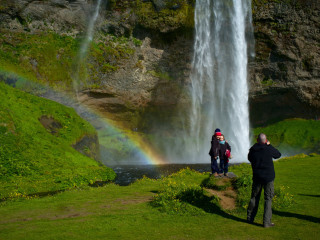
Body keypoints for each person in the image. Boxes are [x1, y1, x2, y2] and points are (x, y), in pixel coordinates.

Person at [247, 133, 281, 228]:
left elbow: (249, 158)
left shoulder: (253, 150)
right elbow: (278, 155)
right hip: (268, 178)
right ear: (266, 141)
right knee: (268, 199)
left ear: (257, 140)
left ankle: (250, 218)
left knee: (254, 197)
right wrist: (269, 145)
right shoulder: (268, 148)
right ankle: (266, 222)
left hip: (257, 177)